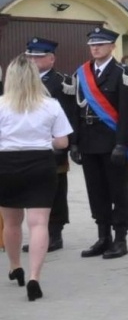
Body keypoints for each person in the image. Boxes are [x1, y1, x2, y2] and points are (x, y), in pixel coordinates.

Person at [2, 55, 73, 300]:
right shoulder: (51, 105)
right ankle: (34, 278)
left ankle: (15, 267)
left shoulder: (0, 104)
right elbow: (62, 142)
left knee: (11, 223)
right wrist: (43, 140)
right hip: (41, 164)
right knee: (39, 223)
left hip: (6, 165)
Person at [75, 26, 128, 260]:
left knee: (118, 190)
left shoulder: (124, 73)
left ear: (112, 46)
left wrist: (123, 143)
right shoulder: (81, 73)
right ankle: (103, 236)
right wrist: (75, 143)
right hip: (88, 142)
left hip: (112, 142)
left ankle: (120, 238)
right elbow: (76, 111)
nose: (95, 48)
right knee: (96, 191)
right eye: (92, 44)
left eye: (100, 44)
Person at [21, 38, 76, 253]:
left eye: (38, 57)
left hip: (53, 147)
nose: (33, 60)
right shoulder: (21, 81)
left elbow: (70, 115)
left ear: (51, 59)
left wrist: (69, 145)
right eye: (30, 56)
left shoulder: (62, 82)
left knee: (56, 191)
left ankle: (55, 234)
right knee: (33, 191)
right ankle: (38, 234)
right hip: (27, 147)